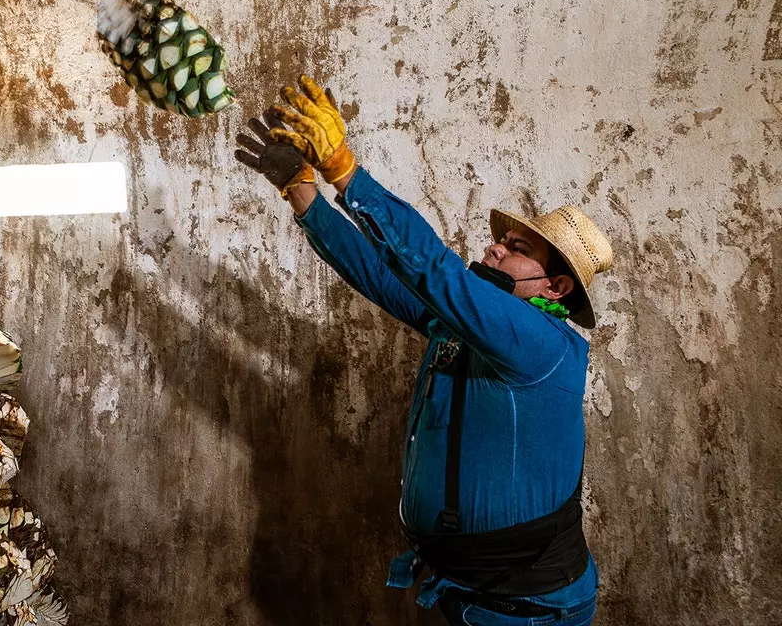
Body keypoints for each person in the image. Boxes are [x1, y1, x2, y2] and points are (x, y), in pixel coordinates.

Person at [234, 75, 613, 625]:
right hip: (475, 597)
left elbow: (435, 271)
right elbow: (380, 274)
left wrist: (346, 172)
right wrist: (303, 192)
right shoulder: (464, 326)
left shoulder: (543, 344)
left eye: (517, 249)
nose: (494, 246)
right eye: (503, 240)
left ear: (555, 289)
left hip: (527, 613)